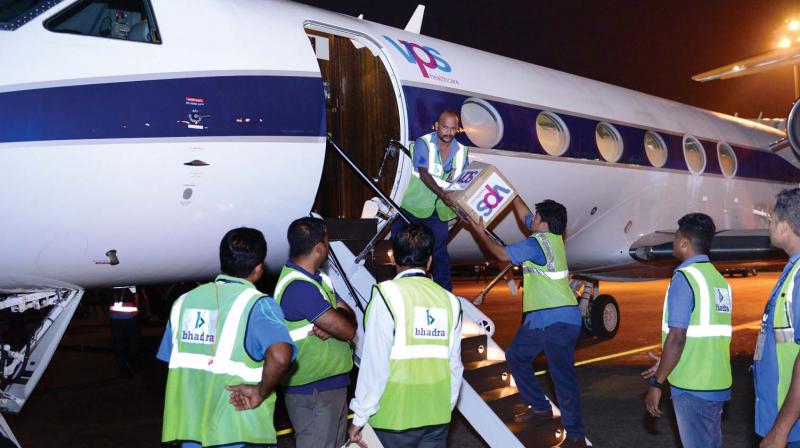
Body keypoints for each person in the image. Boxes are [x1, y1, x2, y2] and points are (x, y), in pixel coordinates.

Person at [465, 196, 586, 447]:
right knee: (516, 356)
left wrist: (479, 231)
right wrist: (510, 193)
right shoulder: (552, 236)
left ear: (544, 224)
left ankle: (575, 436)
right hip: (540, 318)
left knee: (562, 378)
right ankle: (540, 407)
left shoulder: (537, 243)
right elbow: (524, 215)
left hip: (558, 320)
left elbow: (500, 254)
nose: (533, 218)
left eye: (537, 217)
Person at [157, 227, 295, 448]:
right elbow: (280, 356)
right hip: (238, 431)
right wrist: (260, 393)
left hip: (190, 431)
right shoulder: (258, 305)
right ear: (259, 268)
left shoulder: (183, 302)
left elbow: (171, 361)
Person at [348, 223, 463, 448]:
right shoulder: (450, 301)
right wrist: (444, 407)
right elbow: (455, 365)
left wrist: (360, 416)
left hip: (394, 417)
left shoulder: (386, 295)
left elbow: (375, 363)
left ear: (393, 258)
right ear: (429, 261)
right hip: (436, 416)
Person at [642, 213, 731, 448]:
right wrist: (665, 363)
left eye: (676, 237)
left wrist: (657, 383)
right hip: (716, 383)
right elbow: (703, 335)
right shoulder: (718, 280)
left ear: (684, 243)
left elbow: (678, 337)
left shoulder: (684, 278)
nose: (673, 242)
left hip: (693, 388)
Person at [274, 217, 356, 448]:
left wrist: (335, 325)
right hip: (314, 391)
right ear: (319, 247)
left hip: (328, 387)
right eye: (327, 241)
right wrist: (337, 324)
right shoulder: (299, 287)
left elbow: (347, 318)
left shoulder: (319, 280)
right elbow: (348, 328)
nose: (328, 247)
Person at [392, 109, 469, 291]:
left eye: (452, 128)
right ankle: (400, 289)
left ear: (457, 129)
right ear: (436, 126)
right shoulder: (423, 143)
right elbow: (423, 173)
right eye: (444, 127)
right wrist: (443, 194)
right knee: (402, 246)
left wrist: (465, 209)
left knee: (439, 252)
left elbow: (464, 183)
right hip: (413, 206)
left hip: (438, 211)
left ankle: (444, 294)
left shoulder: (462, 152)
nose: (448, 132)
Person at [754, 188, 800, 448]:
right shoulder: (792, 272)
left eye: (772, 221)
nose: (768, 227)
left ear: (785, 226)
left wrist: (781, 430)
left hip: (792, 427)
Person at [109, 286, 146, 379]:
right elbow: (138, 297)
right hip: (130, 316)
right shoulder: (133, 283)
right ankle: (129, 363)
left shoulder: (114, 281)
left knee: (119, 344)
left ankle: (124, 368)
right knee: (133, 342)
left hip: (115, 316)